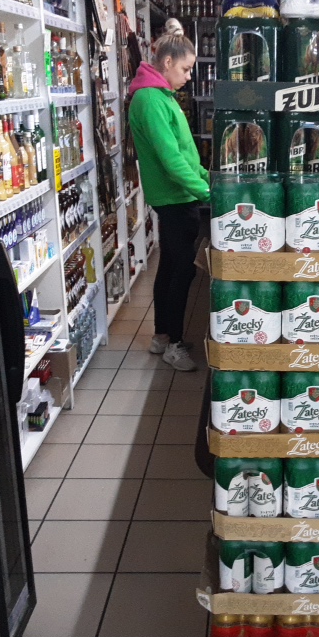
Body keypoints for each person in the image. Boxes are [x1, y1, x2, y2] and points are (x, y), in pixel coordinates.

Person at [128, 19, 208, 372]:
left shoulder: (161, 96)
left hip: (178, 196)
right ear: (167, 62)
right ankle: (174, 344)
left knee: (170, 267)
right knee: (182, 273)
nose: (189, 76)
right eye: (186, 69)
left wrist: (206, 176)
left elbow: (184, 152)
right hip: (175, 199)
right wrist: (205, 190)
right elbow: (170, 159)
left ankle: (161, 336)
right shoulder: (149, 99)